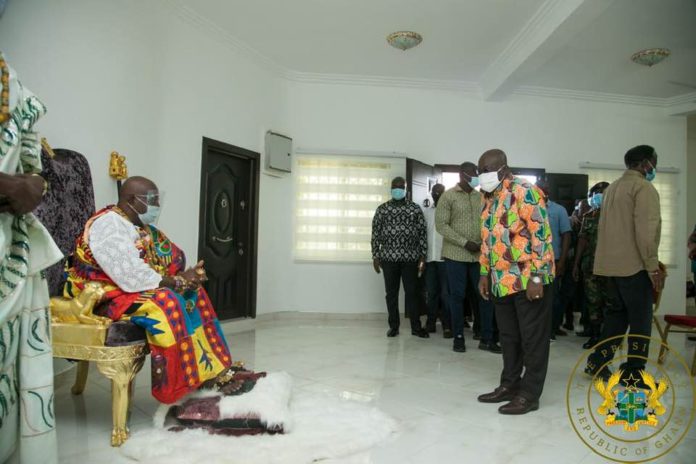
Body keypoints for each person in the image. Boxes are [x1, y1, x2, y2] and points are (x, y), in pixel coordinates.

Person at [64, 176, 233, 404]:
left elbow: (171, 260)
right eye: (152, 200)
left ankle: (209, 371)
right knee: (166, 302)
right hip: (104, 295)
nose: (156, 206)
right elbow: (130, 276)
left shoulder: (140, 227)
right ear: (132, 199)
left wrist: (188, 278)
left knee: (194, 294)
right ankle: (180, 388)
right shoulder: (108, 224)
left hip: (129, 288)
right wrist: (177, 282)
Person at [0, 51, 62, 463]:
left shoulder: (12, 79)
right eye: (148, 199)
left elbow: (37, 173)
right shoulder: (110, 225)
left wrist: (32, 183)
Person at [476, 149, 555, 415]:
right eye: (480, 171)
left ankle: (530, 395)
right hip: (501, 281)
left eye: (485, 170)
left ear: (502, 169)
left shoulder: (525, 191)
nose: (482, 176)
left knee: (532, 339)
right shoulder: (489, 197)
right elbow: (488, 239)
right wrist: (484, 274)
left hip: (527, 280)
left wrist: (537, 277)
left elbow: (541, 237)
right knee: (509, 337)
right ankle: (509, 385)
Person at [584, 145, 665, 385]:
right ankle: (633, 372)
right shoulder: (643, 188)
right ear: (644, 163)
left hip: (610, 267)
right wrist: (652, 266)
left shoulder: (614, 188)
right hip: (634, 267)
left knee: (616, 318)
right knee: (640, 321)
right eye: (654, 161)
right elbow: (646, 233)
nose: (655, 166)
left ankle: (597, 362)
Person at [436, 163, 500, 353]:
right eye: (474, 173)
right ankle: (458, 337)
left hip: (480, 255)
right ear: (462, 175)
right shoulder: (448, 196)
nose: (477, 177)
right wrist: (465, 242)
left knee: (485, 295)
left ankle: (486, 338)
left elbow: (490, 221)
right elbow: (441, 225)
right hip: (456, 255)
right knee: (457, 297)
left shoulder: (482, 196)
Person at [371, 176, 429, 338]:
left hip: (410, 259)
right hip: (388, 259)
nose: (397, 189)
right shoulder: (382, 209)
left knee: (412, 293)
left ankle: (416, 327)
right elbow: (375, 233)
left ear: (405, 189)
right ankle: (393, 326)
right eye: (394, 186)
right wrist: (375, 255)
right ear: (390, 188)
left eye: (400, 187)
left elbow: (422, 234)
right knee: (391, 294)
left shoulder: (415, 209)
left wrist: (422, 256)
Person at [572, 182, 610, 349]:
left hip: (611, 268)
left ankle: (609, 337)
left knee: (610, 302)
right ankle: (595, 336)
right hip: (590, 266)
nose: (599, 196)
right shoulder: (589, 216)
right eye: (597, 193)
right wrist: (576, 264)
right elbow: (582, 241)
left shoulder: (617, 217)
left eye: (603, 193)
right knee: (593, 302)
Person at [536, 178, 571, 341]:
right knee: (536, 295)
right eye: (540, 188)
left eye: (545, 188)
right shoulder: (528, 208)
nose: (543, 190)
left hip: (553, 261)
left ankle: (551, 329)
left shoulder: (559, 210)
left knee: (553, 297)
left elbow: (566, 236)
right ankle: (537, 330)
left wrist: (562, 261)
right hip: (535, 263)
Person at [420, 183, 451, 336]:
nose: (436, 194)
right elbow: (423, 235)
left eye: (439, 192)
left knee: (446, 294)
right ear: (431, 194)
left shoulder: (449, 212)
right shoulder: (426, 212)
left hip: (445, 259)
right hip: (430, 259)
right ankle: (431, 323)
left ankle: (447, 325)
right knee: (431, 293)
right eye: (434, 192)